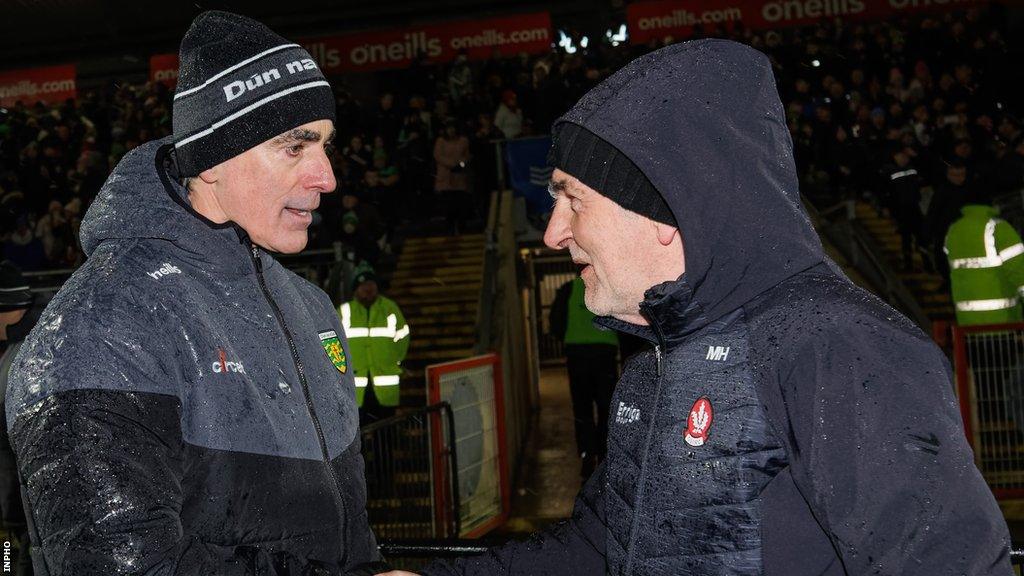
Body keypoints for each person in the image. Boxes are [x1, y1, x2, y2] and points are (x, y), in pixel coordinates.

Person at [392, 39, 1011, 576]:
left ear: (661, 209)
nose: (553, 233)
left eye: (572, 199)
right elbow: (601, 550)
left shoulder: (836, 346)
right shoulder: (654, 365)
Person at [4, 11, 387, 575]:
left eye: (326, 145)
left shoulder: (311, 307)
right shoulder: (100, 328)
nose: (327, 177)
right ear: (211, 160)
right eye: (294, 147)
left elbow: (347, 524)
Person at [549, 277, 618, 479]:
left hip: (577, 352)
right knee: (606, 406)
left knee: (582, 407)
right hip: (604, 351)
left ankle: (587, 454)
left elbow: (556, 321)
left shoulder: (568, 289)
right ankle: (605, 455)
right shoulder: (607, 285)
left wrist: (567, 339)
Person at [0, 261, 39, 576]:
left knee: (13, 553)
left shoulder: (29, 351)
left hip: (22, 494)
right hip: (11, 492)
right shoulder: (11, 347)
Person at [340, 264, 410, 424]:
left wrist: (395, 361)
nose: (368, 289)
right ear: (355, 289)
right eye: (363, 285)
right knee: (361, 434)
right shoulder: (344, 312)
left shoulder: (389, 308)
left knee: (386, 432)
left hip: (385, 386)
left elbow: (403, 337)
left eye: (371, 284)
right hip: (356, 389)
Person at [945, 201, 1024, 325]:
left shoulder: (953, 230)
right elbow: (1019, 271)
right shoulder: (998, 228)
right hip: (1002, 321)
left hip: (967, 324)